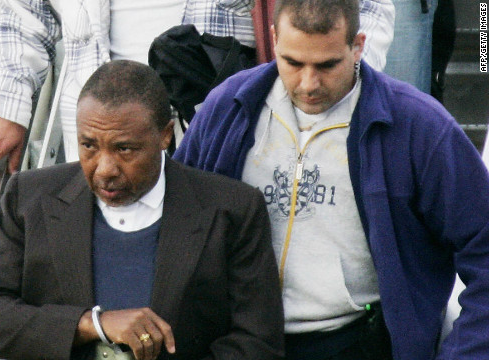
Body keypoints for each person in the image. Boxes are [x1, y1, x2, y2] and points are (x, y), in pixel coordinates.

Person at [173, 0, 489, 358]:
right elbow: (176, 224)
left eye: (327, 65)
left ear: (358, 46)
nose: (309, 84)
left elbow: (483, 247)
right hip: (239, 343)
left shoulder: (419, 126)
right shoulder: (227, 108)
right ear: (274, 39)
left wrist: (466, 351)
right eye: (293, 63)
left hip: (355, 342)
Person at [0, 60, 284, 360]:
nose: (104, 169)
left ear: (165, 135)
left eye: (124, 148)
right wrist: (93, 324)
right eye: (88, 145)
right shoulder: (29, 197)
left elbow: (257, 341)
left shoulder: (233, 209)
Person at [0, 0, 395, 177]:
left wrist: (339, 87)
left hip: (235, 140)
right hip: (98, 145)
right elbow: (22, 10)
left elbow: (366, 9)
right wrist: (6, 102)